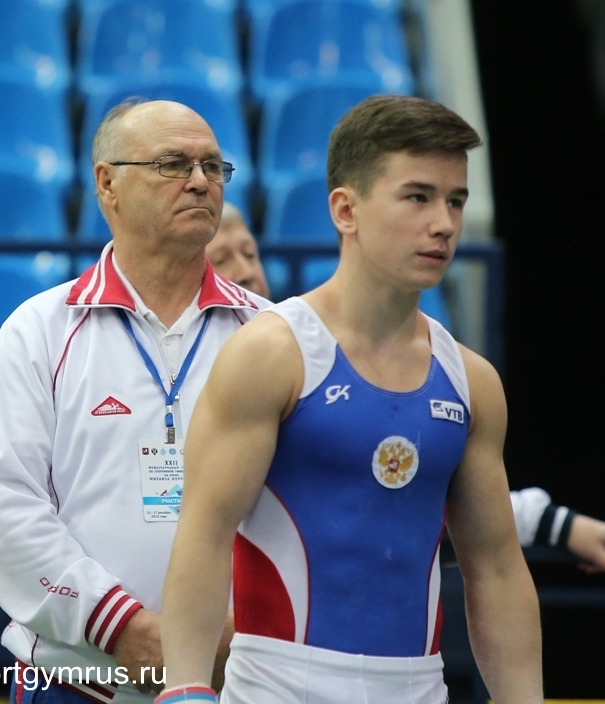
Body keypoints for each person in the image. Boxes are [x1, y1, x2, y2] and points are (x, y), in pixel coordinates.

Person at [158, 95, 546, 704]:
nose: (444, 224)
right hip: (278, 695)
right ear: (346, 210)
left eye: (455, 201)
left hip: (419, 697)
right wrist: (184, 697)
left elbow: (497, 570)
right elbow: (203, 534)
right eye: (417, 197)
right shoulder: (271, 354)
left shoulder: (472, 381)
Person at [0, 99, 269, 704]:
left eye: (214, 166)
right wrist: (120, 627)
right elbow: (6, 505)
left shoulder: (273, 334)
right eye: (172, 163)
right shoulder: (40, 330)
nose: (200, 181)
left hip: (242, 682)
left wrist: (249, 626)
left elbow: (308, 509)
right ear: (107, 183)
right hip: (77, 687)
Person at [208, 204, 605, 574]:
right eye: (223, 260)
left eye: (250, 254)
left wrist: (553, 523)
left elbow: (397, 498)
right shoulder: (210, 380)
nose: (246, 272)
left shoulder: (307, 366)